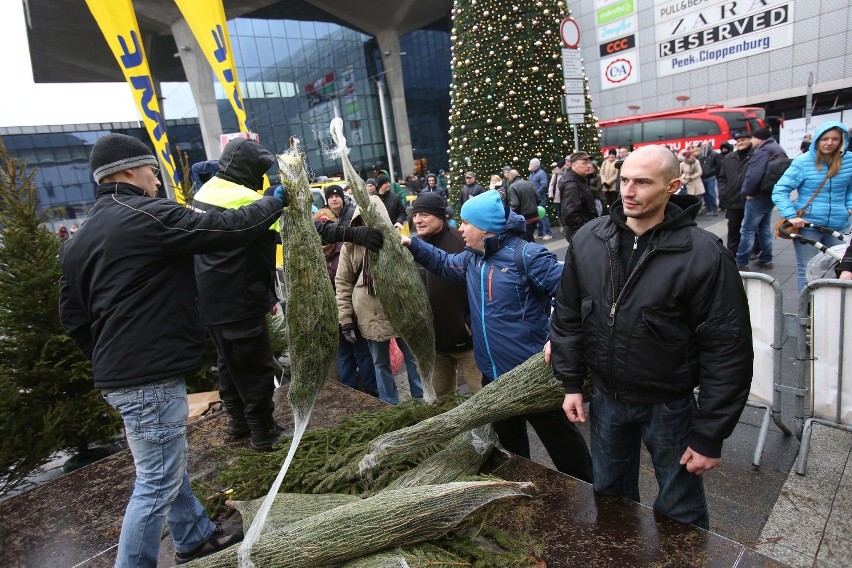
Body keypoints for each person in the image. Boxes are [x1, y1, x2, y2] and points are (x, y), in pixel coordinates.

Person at [59, 133, 288, 566]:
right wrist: (274, 201)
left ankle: (195, 535)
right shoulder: (143, 214)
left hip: (121, 374)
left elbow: (72, 316)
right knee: (156, 481)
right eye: (150, 170)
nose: (155, 179)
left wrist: (110, 358)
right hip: (147, 372)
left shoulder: (80, 236)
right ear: (128, 170)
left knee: (165, 465)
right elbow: (225, 228)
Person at [549, 145, 752, 529]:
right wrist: (571, 382)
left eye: (643, 182)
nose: (628, 190)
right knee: (610, 499)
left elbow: (727, 348)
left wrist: (710, 435)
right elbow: (569, 315)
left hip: (670, 404)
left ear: (672, 186)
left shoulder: (704, 254)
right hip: (607, 400)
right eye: (625, 179)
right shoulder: (589, 240)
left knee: (680, 511)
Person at [402, 190, 593, 482]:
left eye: (467, 223)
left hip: (531, 375)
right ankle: (519, 486)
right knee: (511, 446)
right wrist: (412, 245)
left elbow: (573, 297)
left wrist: (559, 334)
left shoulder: (527, 255)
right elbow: (443, 263)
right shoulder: (471, 258)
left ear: (486, 227)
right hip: (493, 375)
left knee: (561, 440)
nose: (461, 228)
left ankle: (587, 488)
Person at [335, 196, 424, 404]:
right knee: (380, 363)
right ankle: (390, 405)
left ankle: (421, 399)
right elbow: (343, 283)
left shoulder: (395, 239)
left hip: (400, 311)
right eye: (364, 219)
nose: (368, 223)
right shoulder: (351, 246)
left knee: (413, 358)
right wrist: (346, 319)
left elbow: (410, 275)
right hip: (370, 314)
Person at [410, 192, 481, 396]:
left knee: (482, 399)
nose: (417, 220)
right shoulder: (413, 247)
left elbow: (479, 284)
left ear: (440, 216)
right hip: (434, 346)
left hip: (467, 343)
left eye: (424, 214)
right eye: (415, 215)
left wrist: (469, 320)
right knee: (440, 405)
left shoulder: (462, 242)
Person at [772, 121, 852, 291]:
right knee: (807, 270)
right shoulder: (803, 162)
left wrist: (849, 206)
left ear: (842, 140)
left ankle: (833, 308)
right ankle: (806, 312)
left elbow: (850, 188)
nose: (829, 143)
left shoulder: (849, 160)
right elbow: (780, 190)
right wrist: (791, 215)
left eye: (835, 139)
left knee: (841, 268)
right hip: (809, 224)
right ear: (817, 140)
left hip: (839, 224)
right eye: (824, 139)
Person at [315, 207, 379, 397]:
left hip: (353, 313)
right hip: (331, 318)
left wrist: (348, 314)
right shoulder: (313, 256)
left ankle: (371, 393)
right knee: (343, 357)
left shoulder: (345, 248)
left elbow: (346, 283)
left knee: (363, 354)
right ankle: (349, 394)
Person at [734, 127, 786, 271]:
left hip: (758, 195)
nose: (752, 141)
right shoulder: (777, 148)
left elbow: (754, 174)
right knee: (763, 228)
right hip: (769, 193)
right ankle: (766, 259)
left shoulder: (763, 151)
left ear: (759, 138)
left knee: (747, 229)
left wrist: (748, 192)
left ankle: (741, 262)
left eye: (753, 138)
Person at [717, 132, 754, 255]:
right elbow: (722, 177)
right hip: (732, 199)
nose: (740, 143)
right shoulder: (728, 158)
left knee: (752, 228)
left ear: (751, 140)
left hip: (750, 199)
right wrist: (723, 192)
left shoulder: (755, 156)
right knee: (733, 227)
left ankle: (754, 251)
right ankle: (732, 252)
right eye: (738, 141)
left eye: (743, 140)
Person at [558, 151, 598, 241]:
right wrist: (587, 229)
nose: (589, 165)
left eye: (589, 162)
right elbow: (570, 215)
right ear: (574, 165)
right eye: (584, 163)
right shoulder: (572, 186)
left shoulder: (581, 179)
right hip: (581, 234)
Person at [505, 169, 539, 242]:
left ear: (511, 177)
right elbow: (538, 198)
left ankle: (532, 252)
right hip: (535, 215)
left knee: (525, 240)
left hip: (524, 218)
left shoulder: (512, 187)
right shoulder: (529, 183)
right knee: (529, 237)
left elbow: (515, 204)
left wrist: (511, 215)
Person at [529, 158, 553, 240]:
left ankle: (548, 233)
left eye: (531, 164)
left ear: (536, 165)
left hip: (540, 198)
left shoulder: (541, 173)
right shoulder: (531, 174)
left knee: (542, 216)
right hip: (533, 198)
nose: (529, 166)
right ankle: (540, 233)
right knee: (536, 215)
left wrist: (536, 194)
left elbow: (544, 185)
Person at [698, 141, 722, 216]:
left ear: (710, 145)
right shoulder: (701, 155)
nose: (704, 147)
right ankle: (709, 209)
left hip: (710, 177)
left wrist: (711, 171)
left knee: (711, 193)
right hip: (702, 177)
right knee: (705, 194)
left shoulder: (714, 154)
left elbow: (718, 165)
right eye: (703, 145)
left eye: (706, 145)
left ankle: (714, 209)